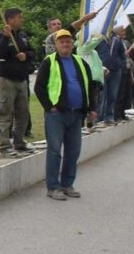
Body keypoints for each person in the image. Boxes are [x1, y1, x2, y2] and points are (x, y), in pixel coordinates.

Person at [34, 29, 96, 201]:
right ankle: (53, 187)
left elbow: (89, 86)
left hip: (76, 113)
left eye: (68, 41)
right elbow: (39, 87)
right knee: (54, 151)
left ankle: (67, 184)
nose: (65, 44)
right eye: (62, 41)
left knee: (73, 151)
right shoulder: (49, 62)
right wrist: (49, 107)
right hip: (56, 114)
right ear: (56, 45)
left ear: (72, 44)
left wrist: (91, 108)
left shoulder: (80, 62)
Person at [0, 8, 36, 157]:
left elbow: (33, 52)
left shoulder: (23, 36)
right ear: (10, 19)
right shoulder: (0, 35)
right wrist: (5, 38)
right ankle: (4, 146)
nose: (22, 20)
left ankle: (19, 142)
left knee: (23, 113)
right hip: (6, 80)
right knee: (4, 113)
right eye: (19, 17)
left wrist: (26, 55)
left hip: (21, 80)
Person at [96, 25, 127, 126]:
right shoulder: (99, 39)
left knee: (112, 95)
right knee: (102, 96)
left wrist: (120, 65)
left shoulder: (117, 40)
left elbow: (123, 55)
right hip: (102, 71)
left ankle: (109, 117)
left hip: (115, 71)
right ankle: (99, 118)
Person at [77, 34, 107, 132]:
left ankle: (90, 125)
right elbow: (91, 45)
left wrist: (103, 69)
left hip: (97, 79)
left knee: (95, 103)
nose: (91, 40)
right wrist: (101, 36)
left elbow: (95, 63)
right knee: (88, 103)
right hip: (90, 79)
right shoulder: (82, 48)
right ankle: (82, 126)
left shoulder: (93, 51)